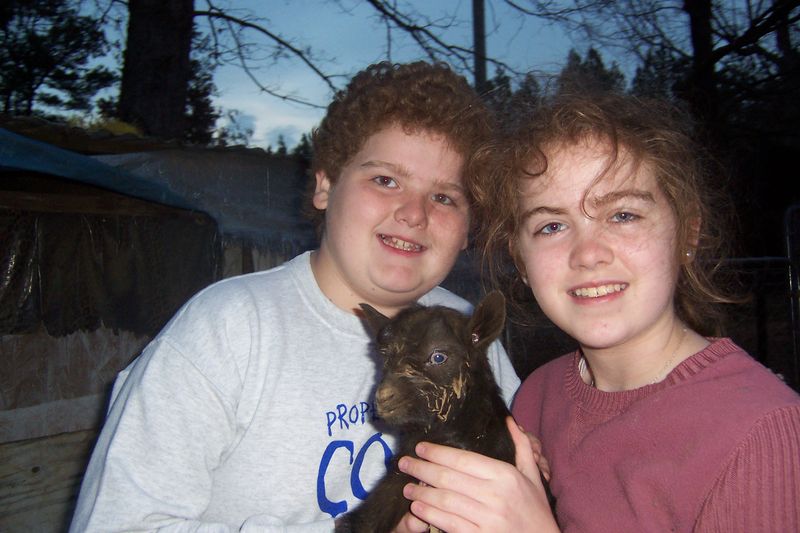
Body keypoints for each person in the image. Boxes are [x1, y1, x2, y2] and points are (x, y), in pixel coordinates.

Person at [70, 61, 520, 532]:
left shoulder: (466, 330)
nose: (414, 213)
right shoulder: (231, 330)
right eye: (386, 180)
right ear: (325, 185)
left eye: (445, 198)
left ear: (468, 230)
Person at [395, 91, 800, 532]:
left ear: (687, 233)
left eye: (623, 215)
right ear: (522, 261)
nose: (588, 253)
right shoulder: (537, 396)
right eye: (552, 226)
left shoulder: (765, 434)